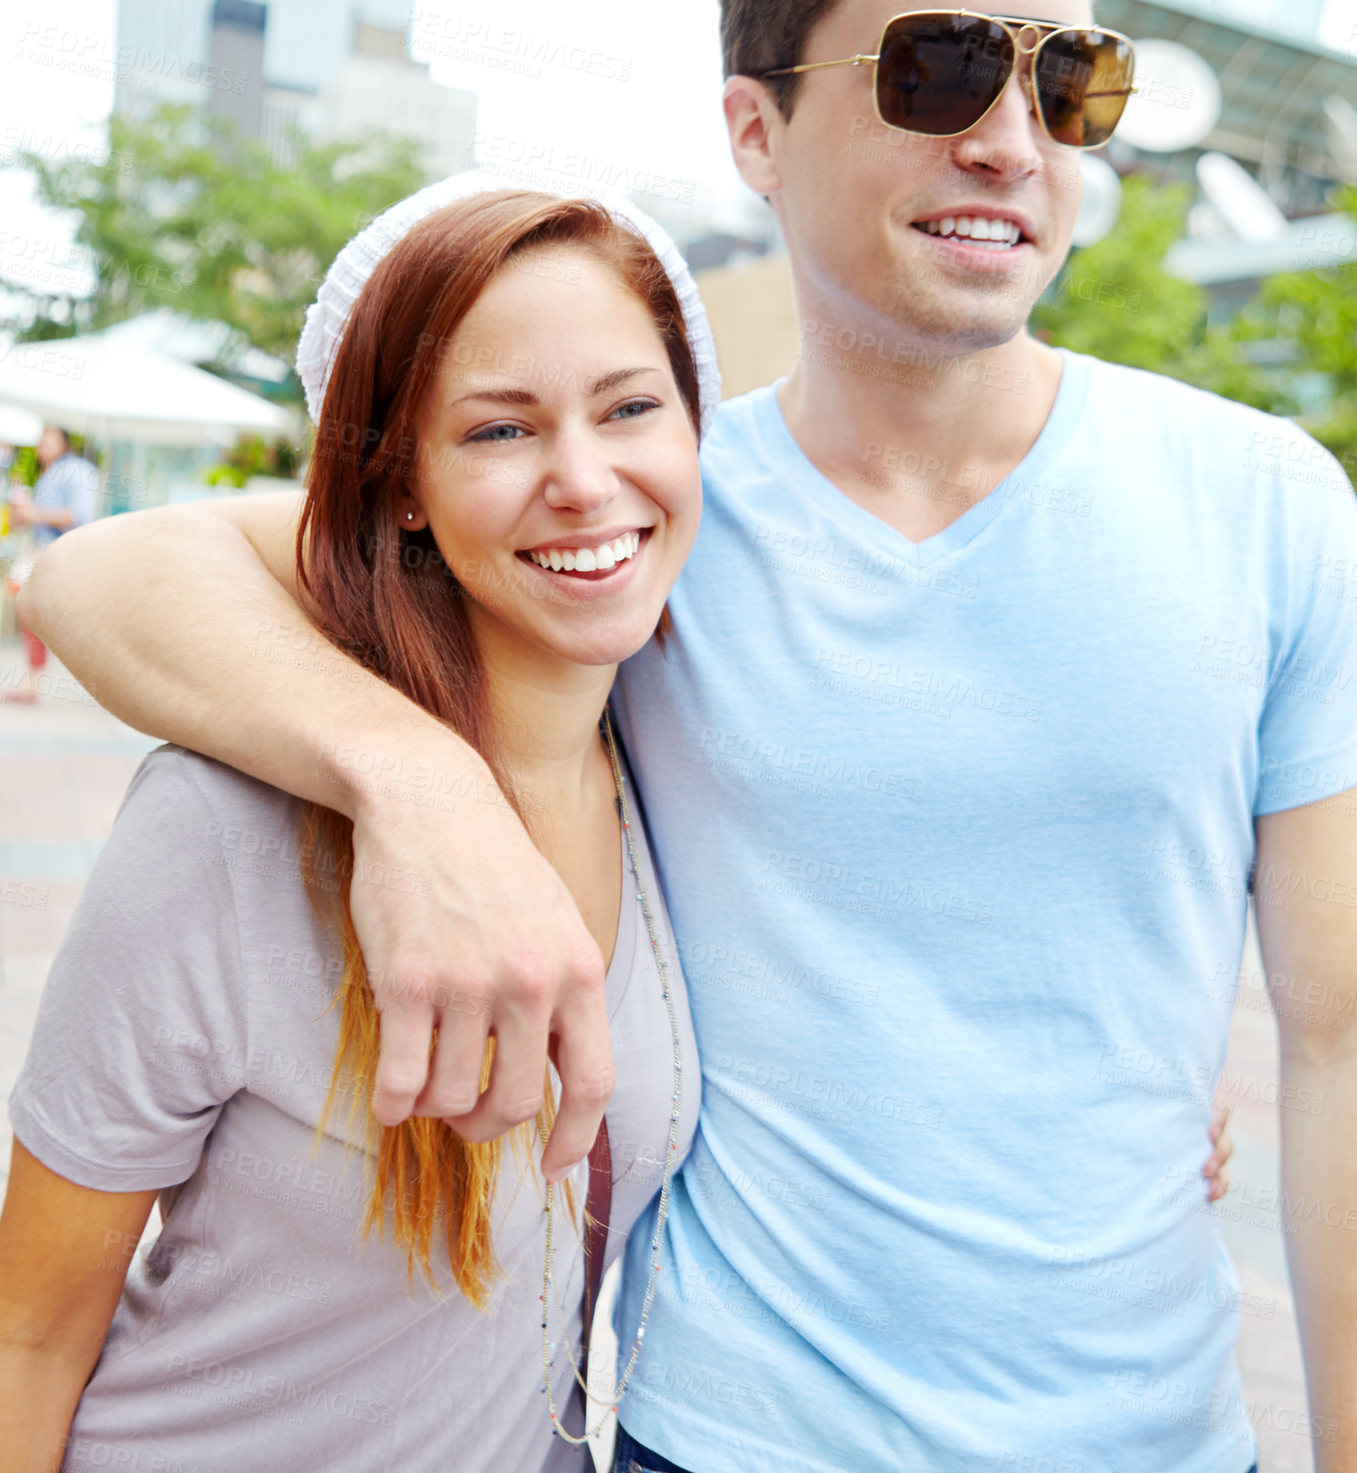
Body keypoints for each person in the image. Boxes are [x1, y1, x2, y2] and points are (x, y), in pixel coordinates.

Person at [19, 1, 1335, 1470]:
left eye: (1071, 80)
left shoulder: (1264, 509)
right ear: (754, 131)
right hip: (717, 1435)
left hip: (1152, 1430)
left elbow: (1331, 1045)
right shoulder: (660, 529)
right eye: (938, 66)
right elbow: (99, 571)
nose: (1008, 138)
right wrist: (421, 790)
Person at [0, 183, 706, 1472]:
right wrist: (420, 783)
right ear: (405, 489)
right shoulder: (224, 825)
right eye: (499, 429)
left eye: (630, 406)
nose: (584, 480)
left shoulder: (670, 763)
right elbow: (30, 1338)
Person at [3, 425, 98, 704]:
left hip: (57, 554)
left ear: (64, 441)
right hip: (40, 552)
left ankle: (33, 681)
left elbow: (78, 515)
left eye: (50, 437)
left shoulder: (75, 470)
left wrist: (35, 513)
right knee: (30, 612)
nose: (43, 443)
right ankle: (32, 680)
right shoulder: (50, 472)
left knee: (49, 616)